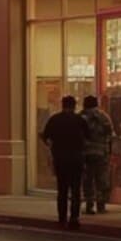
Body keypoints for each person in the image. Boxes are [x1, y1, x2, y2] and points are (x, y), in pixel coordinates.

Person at [41, 95, 88, 229]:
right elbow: (88, 136)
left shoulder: (55, 119)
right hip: (76, 158)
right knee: (76, 190)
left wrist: (52, 147)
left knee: (62, 189)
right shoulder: (80, 120)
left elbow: (45, 136)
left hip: (61, 158)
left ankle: (62, 218)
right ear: (74, 106)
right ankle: (74, 217)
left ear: (63, 105)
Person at [78, 95, 115, 215]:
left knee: (87, 179)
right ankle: (101, 204)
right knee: (101, 178)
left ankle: (89, 204)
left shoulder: (81, 117)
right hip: (101, 152)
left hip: (85, 153)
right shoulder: (104, 117)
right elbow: (111, 134)